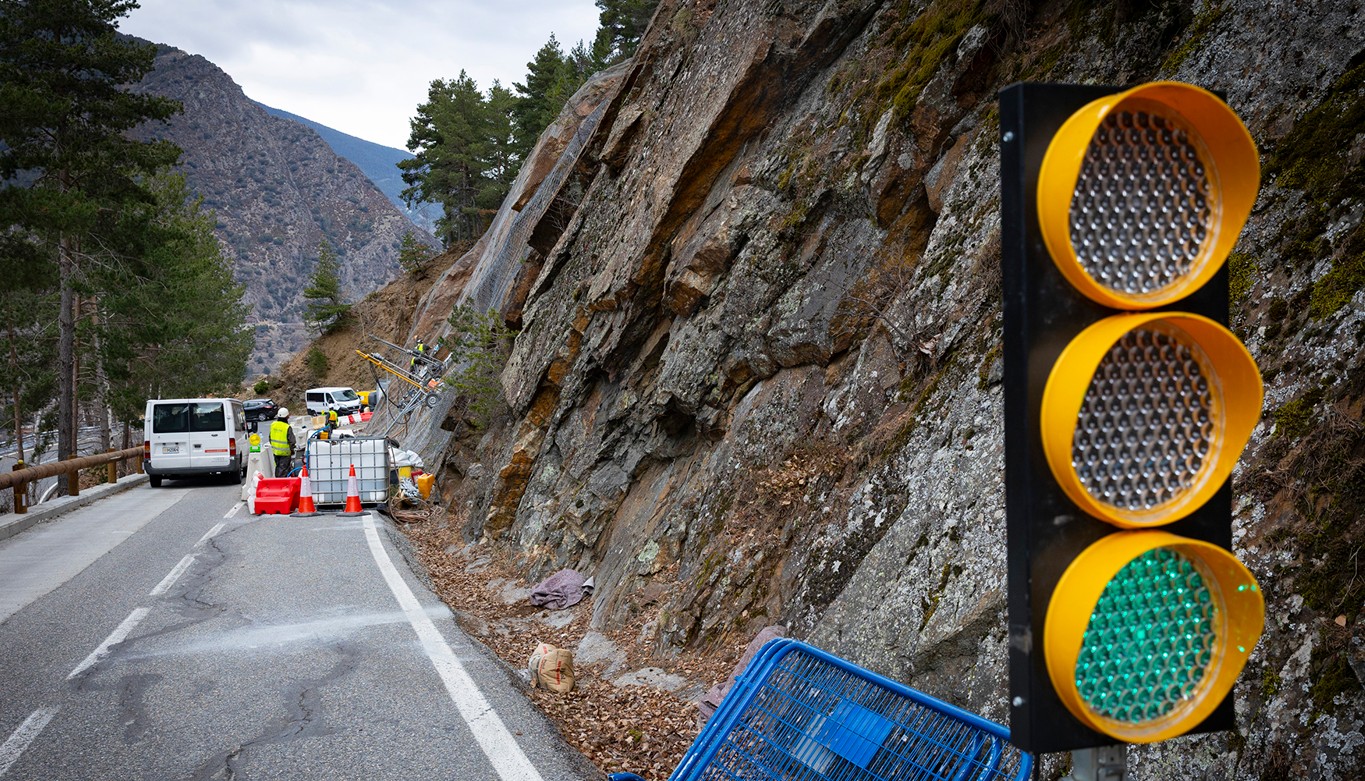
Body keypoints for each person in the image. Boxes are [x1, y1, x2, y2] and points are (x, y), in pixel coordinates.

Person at [269, 407, 296, 476]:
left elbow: (270, 438)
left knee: (278, 468)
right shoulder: (287, 427)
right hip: (285, 453)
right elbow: (292, 441)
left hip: (275, 452)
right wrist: (292, 449)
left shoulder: (273, 425)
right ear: (286, 417)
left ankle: (277, 482)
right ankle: (283, 484)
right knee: (284, 470)